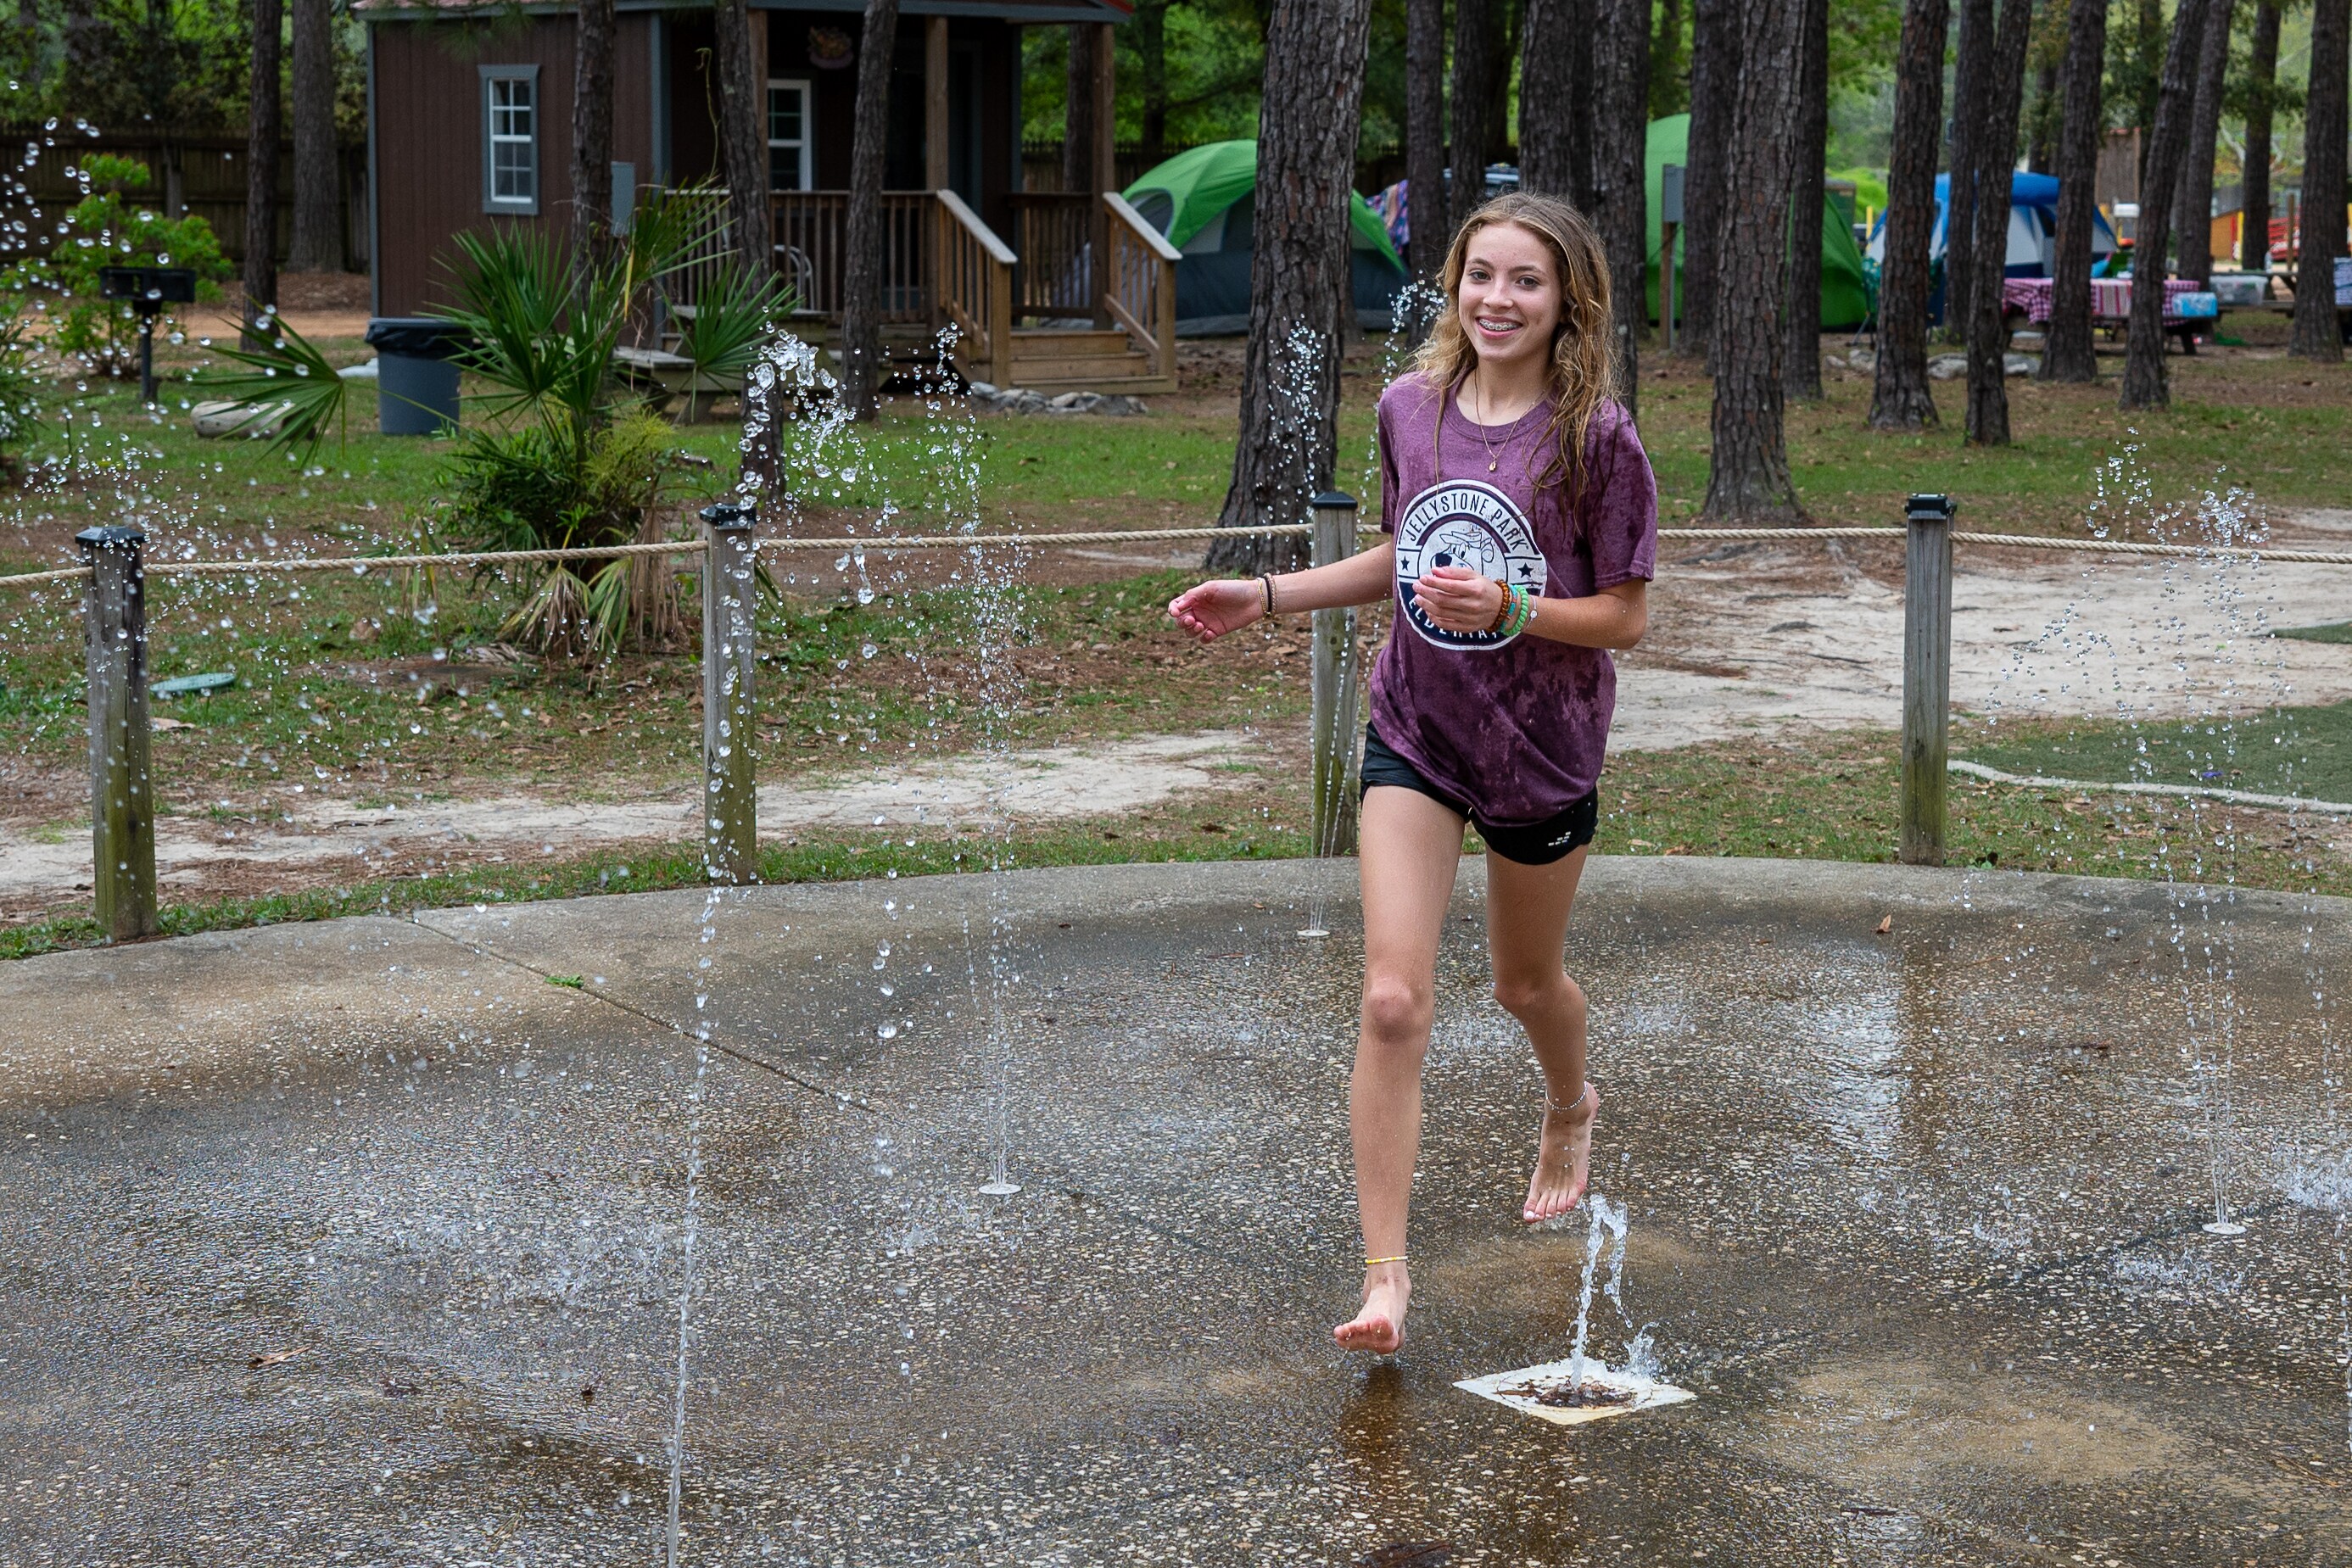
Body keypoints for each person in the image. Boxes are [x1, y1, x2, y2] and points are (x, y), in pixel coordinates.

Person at [1167, 193, 1657, 1355]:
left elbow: (1626, 618)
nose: (1496, 298)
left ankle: (1566, 1102)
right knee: (1391, 999)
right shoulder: (1407, 406)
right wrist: (1272, 592)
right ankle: (1384, 1279)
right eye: (1478, 275)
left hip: (1539, 747)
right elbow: (1405, 550)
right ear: (1452, 286)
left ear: (1565, 300)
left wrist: (1516, 606)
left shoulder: (1597, 437)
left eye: (1523, 281)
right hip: (1417, 731)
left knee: (1525, 987)